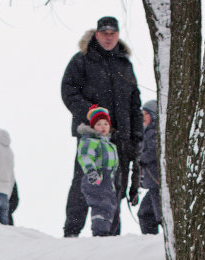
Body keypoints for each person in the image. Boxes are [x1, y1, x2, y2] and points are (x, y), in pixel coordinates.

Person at [61, 15, 143, 237]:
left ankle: (109, 235)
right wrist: (91, 114)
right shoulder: (82, 60)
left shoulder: (124, 65)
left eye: (113, 33)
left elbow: (135, 102)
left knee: (115, 187)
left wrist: (136, 135)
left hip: (120, 138)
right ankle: (71, 233)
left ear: (118, 36)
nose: (109, 37)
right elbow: (68, 91)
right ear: (96, 34)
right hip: (91, 136)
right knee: (84, 182)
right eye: (104, 33)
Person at [77, 104, 119, 236]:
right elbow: (85, 156)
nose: (103, 127)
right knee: (100, 204)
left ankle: (105, 230)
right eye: (99, 124)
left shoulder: (109, 144)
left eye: (106, 124)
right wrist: (91, 172)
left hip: (107, 179)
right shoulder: (90, 141)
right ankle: (99, 231)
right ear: (93, 126)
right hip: (96, 178)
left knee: (109, 205)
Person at [137, 99, 161, 235]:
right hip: (152, 182)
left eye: (145, 113)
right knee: (145, 213)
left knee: (158, 214)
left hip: (155, 181)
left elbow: (154, 150)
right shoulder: (148, 132)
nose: (142, 117)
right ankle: (150, 239)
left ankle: (155, 240)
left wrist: (142, 158)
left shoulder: (153, 132)